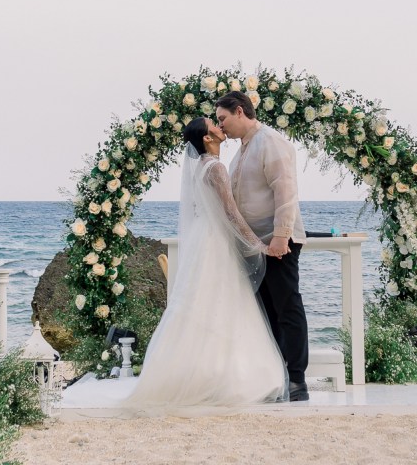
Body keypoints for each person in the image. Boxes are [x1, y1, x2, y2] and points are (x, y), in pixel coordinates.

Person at [116, 117, 288, 417]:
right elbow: (231, 213)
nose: (221, 128)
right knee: (224, 305)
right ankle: (224, 379)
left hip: (203, 240)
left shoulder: (200, 169)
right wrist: (257, 243)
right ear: (207, 139)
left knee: (203, 307)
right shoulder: (216, 167)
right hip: (215, 243)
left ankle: (202, 373)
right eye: (215, 125)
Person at [215, 92, 310, 401]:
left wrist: (281, 235)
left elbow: (286, 189)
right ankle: (275, 376)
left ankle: (297, 380)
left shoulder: (270, 141)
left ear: (240, 111)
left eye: (223, 119)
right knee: (266, 312)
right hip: (255, 246)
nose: (221, 126)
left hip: (277, 242)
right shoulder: (240, 151)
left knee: (287, 308)